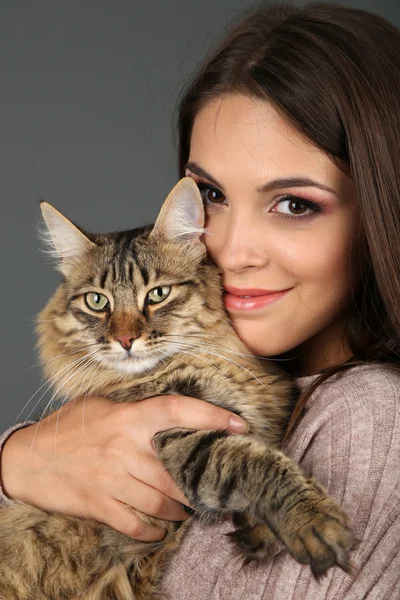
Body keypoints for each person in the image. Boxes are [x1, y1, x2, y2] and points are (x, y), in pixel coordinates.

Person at [1, 1, 400, 597]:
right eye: (211, 194)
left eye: (294, 204)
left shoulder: (365, 417)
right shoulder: (263, 375)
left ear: (380, 211)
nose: (232, 250)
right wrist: (19, 460)